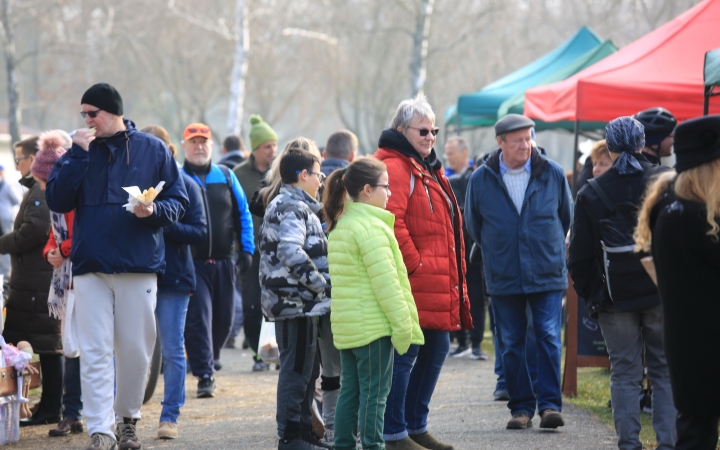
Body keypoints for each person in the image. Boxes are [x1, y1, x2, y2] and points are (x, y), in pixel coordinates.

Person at [45, 82, 189, 450]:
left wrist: (154, 210)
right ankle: (100, 429)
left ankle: (128, 420)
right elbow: (57, 199)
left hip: (138, 265)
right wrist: (77, 154)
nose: (87, 121)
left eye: (92, 114)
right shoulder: (79, 150)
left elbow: (179, 200)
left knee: (135, 349)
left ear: (113, 113)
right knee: (94, 351)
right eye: (83, 115)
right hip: (91, 266)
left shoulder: (152, 149)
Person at [567, 116, 675, 449]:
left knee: (624, 372)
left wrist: (593, 296)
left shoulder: (592, 191)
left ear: (609, 147)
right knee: (663, 371)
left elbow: (579, 258)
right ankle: (669, 443)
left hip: (613, 297)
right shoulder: (666, 180)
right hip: (661, 291)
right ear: (642, 142)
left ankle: (629, 444)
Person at [465, 113, 572, 430]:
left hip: (546, 271)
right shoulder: (481, 180)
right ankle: (522, 408)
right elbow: (474, 226)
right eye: (518, 141)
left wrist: (544, 245)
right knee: (510, 342)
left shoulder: (551, 173)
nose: (525, 145)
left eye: (529, 138)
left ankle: (550, 405)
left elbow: (565, 217)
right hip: (504, 274)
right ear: (500, 143)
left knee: (549, 337)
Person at [375, 94, 470, 450]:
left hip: (432, 282)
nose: (431, 137)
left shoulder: (424, 165)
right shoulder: (396, 166)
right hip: (413, 280)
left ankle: (415, 425)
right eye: (423, 130)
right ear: (402, 130)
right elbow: (391, 219)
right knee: (407, 356)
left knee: (436, 349)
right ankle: (394, 433)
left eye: (434, 131)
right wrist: (416, 264)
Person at [324, 157, 424, 450]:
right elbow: (387, 285)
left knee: (350, 394)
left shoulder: (342, 224)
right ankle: (373, 446)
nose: (390, 193)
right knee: (375, 395)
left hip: (348, 327)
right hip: (373, 329)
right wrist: (403, 325)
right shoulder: (372, 228)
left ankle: (343, 445)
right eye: (386, 187)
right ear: (367, 190)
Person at [635, 114, 720, 450]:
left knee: (695, 428)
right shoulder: (695, 217)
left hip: (688, 341)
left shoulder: (671, 206)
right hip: (705, 343)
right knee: (696, 433)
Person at [259, 148, 331, 450]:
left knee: (304, 370)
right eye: (318, 174)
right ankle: (290, 437)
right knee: (296, 371)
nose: (321, 180)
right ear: (304, 175)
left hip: (300, 303)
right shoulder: (292, 205)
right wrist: (320, 284)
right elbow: (290, 249)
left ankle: (302, 432)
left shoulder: (296, 203)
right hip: (296, 304)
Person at [142, 125, 207, 439]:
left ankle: (170, 417)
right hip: (138, 275)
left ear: (168, 151)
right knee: (130, 348)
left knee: (172, 350)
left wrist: (161, 221)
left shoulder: (187, 185)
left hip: (175, 278)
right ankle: (123, 416)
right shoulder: (135, 183)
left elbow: (200, 232)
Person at [181, 122, 255, 395]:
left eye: (204, 142)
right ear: (184, 147)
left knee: (223, 320)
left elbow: (243, 214)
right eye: (193, 142)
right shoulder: (178, 178)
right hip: (192, 263)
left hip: (225, 261)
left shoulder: (225, 175)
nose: (199, 147)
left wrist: (247, 250)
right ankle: (205, 375)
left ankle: (208, 358)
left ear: (212, 146)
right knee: (199, 316)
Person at [0, 135, 60, 427]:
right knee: (42, 344)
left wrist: (3, 243)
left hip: (38, 280)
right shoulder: (36, 189)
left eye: (20, 158)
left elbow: (35, 228)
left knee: (48, 347)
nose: (18, 164)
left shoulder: (40, 189)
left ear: (34, 159)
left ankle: (52, 407)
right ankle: (48, 404)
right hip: (33, 278)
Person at [31, 130, 85, 438]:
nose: (39, 187)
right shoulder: (56, 205)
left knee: (85, 349)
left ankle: (83, 411)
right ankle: (72, 412)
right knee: (72, 348)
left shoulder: (74, 199)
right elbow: (56, 236)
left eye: (41, 181)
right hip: (67, 281)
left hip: (85, 279)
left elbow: (81, 237)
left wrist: (61, 251)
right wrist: (51, 252)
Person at [315, 129, 358, 440]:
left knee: (334, 372)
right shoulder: (325, 232)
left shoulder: (319, 229)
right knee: (340, 372)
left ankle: (334, 425)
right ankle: (337, 426)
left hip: (331, 309)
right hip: (341, 309)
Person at [231, 115, 278, 370]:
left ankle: (279, 352)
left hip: (278, 251)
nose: (272, 150)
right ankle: (258, 353)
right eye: (267, 146)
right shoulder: (238, 175)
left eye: (274, 145)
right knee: (252, 305)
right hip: (249, 251)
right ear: (255, 149)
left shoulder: (281, 172)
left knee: (279, 304)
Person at [446, 138, 488, 361]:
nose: (448, 158)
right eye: (446, 153)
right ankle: (462, 341)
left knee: (474, 295)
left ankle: (475, 342)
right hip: (457, 248)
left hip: (473, 248)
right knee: (458, 294)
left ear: (464, 153)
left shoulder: (474, 177)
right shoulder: (450, 180)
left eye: (451, 153)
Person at [0, 163, 20, 278]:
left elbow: (16, 200)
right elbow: (16, 200)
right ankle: (3, 272)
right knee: (4, 243)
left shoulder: (7, 185)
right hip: (4, 218)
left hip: (5, 219)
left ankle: (5, 272)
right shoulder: (6, 185)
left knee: (5, 243)